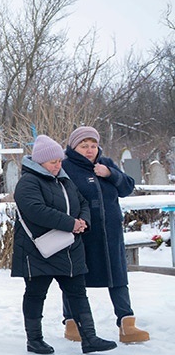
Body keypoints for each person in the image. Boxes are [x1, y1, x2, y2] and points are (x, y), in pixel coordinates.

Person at [12, 135, 117, 355]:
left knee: (78, 292)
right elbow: (36, 210)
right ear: (40, 162)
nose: (58, 165)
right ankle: (35, 339)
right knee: (35, 293)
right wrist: (71, 223)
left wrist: (83, 223)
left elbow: (82, 203)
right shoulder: (28, 182)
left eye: (59, 161)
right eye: (53, 162)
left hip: (69, 247)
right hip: (38, 249)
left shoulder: (64, 179)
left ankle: (89, 337)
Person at [61, 126, 148, 343]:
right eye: (84, 146)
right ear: (74, 146)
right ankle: (72, 322)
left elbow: (127, 188)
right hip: (81, 233)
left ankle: (127, 323)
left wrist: (110, 174)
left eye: (93, 145)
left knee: (117, 276)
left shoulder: (106, 164)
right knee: (75, 277)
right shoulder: (66, 167)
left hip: (110, 233)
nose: (89, 150)